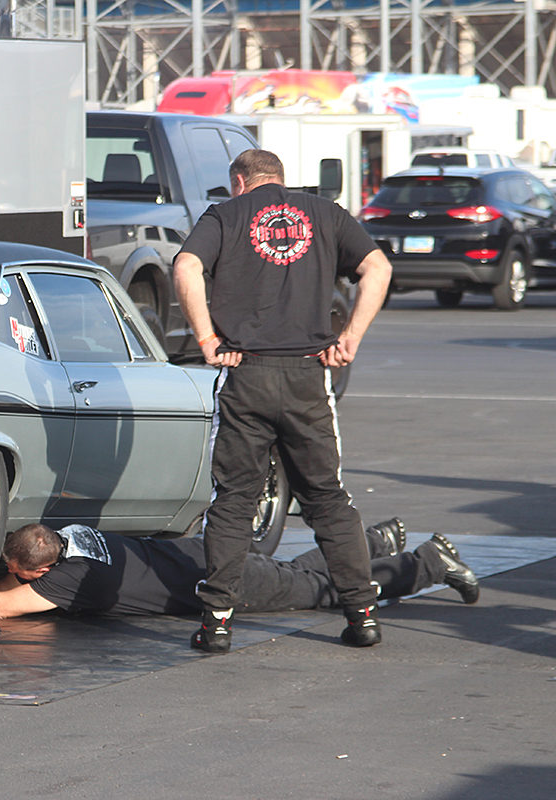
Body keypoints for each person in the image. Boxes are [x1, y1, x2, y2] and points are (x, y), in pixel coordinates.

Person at [172, 149, 394, 653]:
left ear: (238, 181)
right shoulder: (325, 213)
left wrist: (206, 340)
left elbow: (185, 266)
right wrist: (352, 336)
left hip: (244, 372)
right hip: (307, 377)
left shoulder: (225, 215)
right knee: (326, 497)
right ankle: (361, 615)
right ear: (281, 179)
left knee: (233, 501)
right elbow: (377, 267)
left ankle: (217, 623)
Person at [0, 521, 479, 624]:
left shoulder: (70, 580)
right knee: (283, 571)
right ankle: (378, 539)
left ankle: (428, 563)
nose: (16, 581)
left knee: (318, 594)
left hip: (215, 583)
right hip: (199, 552)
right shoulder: (63, 533)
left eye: (23, 575)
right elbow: (9, 585)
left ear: (41, 568)